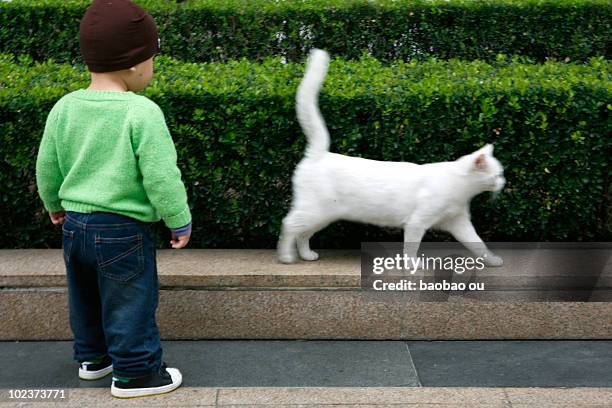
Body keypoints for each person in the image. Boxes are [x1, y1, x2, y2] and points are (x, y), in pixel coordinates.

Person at [35, 0, 191, 399]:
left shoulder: (65, 107)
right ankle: (136, 374)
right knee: (130, 302)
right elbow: (161, 175)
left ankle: (93, 359)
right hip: (123, 229)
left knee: (85, 296)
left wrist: (53, 202)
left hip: (74, 225)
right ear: (136, 62)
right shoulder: (141, 112)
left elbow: (47, 165)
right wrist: (178, 218)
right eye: (153, 57)